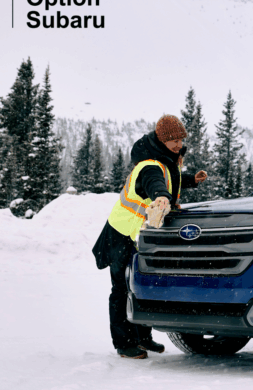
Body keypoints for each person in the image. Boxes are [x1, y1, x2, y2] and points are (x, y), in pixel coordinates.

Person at [92, 114, 208, 359]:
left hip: (139, 235)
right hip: (121, 234)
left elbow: (168, 179)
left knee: (142, 286)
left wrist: (190, 180)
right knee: (122, 289)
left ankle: (143, 338)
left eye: (180, 139)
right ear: (161, 139)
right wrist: (161, 196)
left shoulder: (164, 159)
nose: (178, 144)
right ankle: (124, 343)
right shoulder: (149, 165)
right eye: (173, 140)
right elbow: (155, 182)